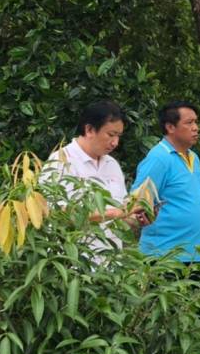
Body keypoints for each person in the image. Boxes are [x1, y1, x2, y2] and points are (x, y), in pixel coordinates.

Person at [42, 100, 143, 251]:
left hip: (110, 259)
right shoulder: (61, 161)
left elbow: (121, 211)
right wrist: (113, 213)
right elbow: (55, 213)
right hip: (74, 259)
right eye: (111, 135)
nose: (115, 143)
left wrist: (135, 217)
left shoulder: (112, 164)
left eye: (118, 136)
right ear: (89, 130)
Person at [131, 101, 200, 279]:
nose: (196, 128)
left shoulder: (193, 157)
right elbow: (137, 203)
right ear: (170, 127)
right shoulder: (159, 158)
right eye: (189, 123)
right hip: (165, 256)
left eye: (196, 122)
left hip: (196, 255)